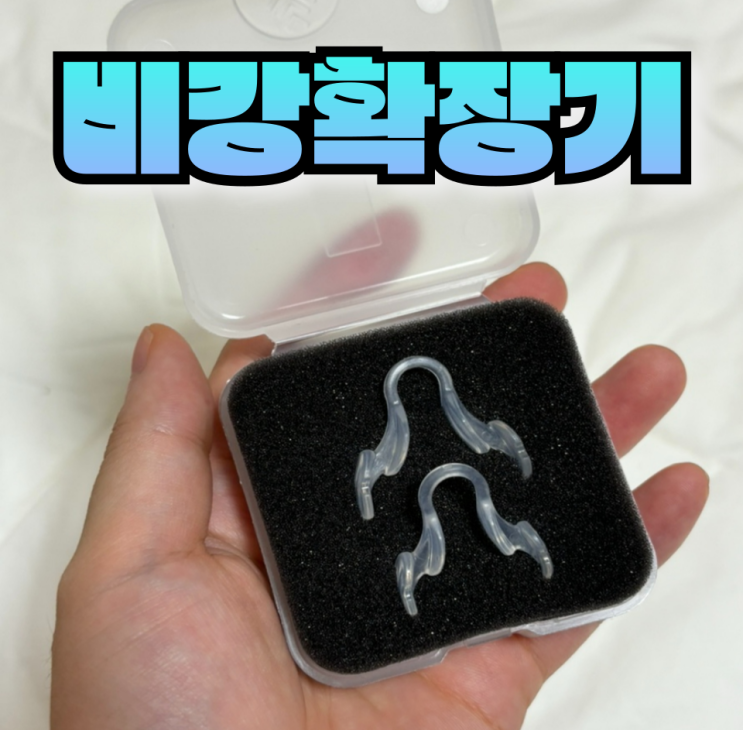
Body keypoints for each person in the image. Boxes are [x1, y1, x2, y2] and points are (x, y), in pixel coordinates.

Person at [50, 263, 708, 730]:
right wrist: (375, 496)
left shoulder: (453, 443)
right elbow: (390, 470)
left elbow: (432, 461)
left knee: (464, 490)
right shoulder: (404, 450)